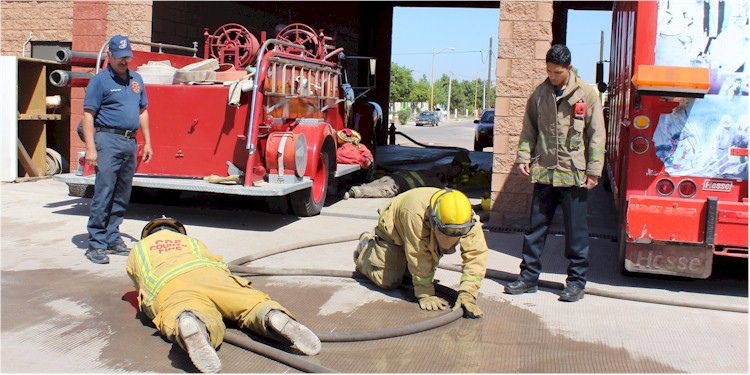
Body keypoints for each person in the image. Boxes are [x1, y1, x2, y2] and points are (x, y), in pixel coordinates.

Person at [126, 217, 321, 373]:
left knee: (185, 308)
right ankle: (271, 316)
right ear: (177, 231)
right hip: (211, 275)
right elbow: (212, 260)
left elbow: (139, 283)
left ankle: (192, 322)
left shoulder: (137, 250)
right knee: (250, 304)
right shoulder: (192, 242)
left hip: (171, 285)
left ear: (148, 234)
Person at [505, 44, 606, 302]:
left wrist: (594, 171)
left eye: (557, 72)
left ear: (569, 69)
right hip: (544, 173)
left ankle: (575, 283)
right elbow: (529, 130)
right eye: (549, 71)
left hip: (574, 175)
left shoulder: (587, 94)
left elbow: (596, 136)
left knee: (576, 233)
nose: (552, 76)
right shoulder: (539, 95)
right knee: (535, 230)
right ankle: (528, 278)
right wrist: (523, 157)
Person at [353, 187, 488, 318]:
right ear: (434, 221)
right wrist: (425, 293)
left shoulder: (467, 219)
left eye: (458, 233)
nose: (450, 239)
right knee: (388, 280)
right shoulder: (416, 214)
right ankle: (365, 248)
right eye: (446, 232)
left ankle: (402, 263)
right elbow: (418, 254)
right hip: (394, 231)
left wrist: (468, 294)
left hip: (420, 231)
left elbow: (476, 256)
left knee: (409, 277)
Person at [83, 35, 153, 264]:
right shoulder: (100, 81)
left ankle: (113, 237)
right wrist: (91, 148)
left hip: (129, 142)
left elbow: (142, 111)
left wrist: (148, 142)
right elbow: (88, 115)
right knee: (104, 192)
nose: (125, 61)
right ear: (109, 56)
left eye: (127, 57)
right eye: (120, 57)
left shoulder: (136, 80)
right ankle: (96, 243)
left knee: (122, 195)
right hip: (107, 140)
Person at [343, 152, 470, 199]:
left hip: (397, 176)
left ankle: (348, 187)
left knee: (374, 184)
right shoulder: (439, 175)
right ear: (456, 166)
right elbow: (441, 190)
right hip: (401, 184)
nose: (460, 173)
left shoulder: (440, 170)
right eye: (460, 170)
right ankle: (354, 192)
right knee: (384, 191)